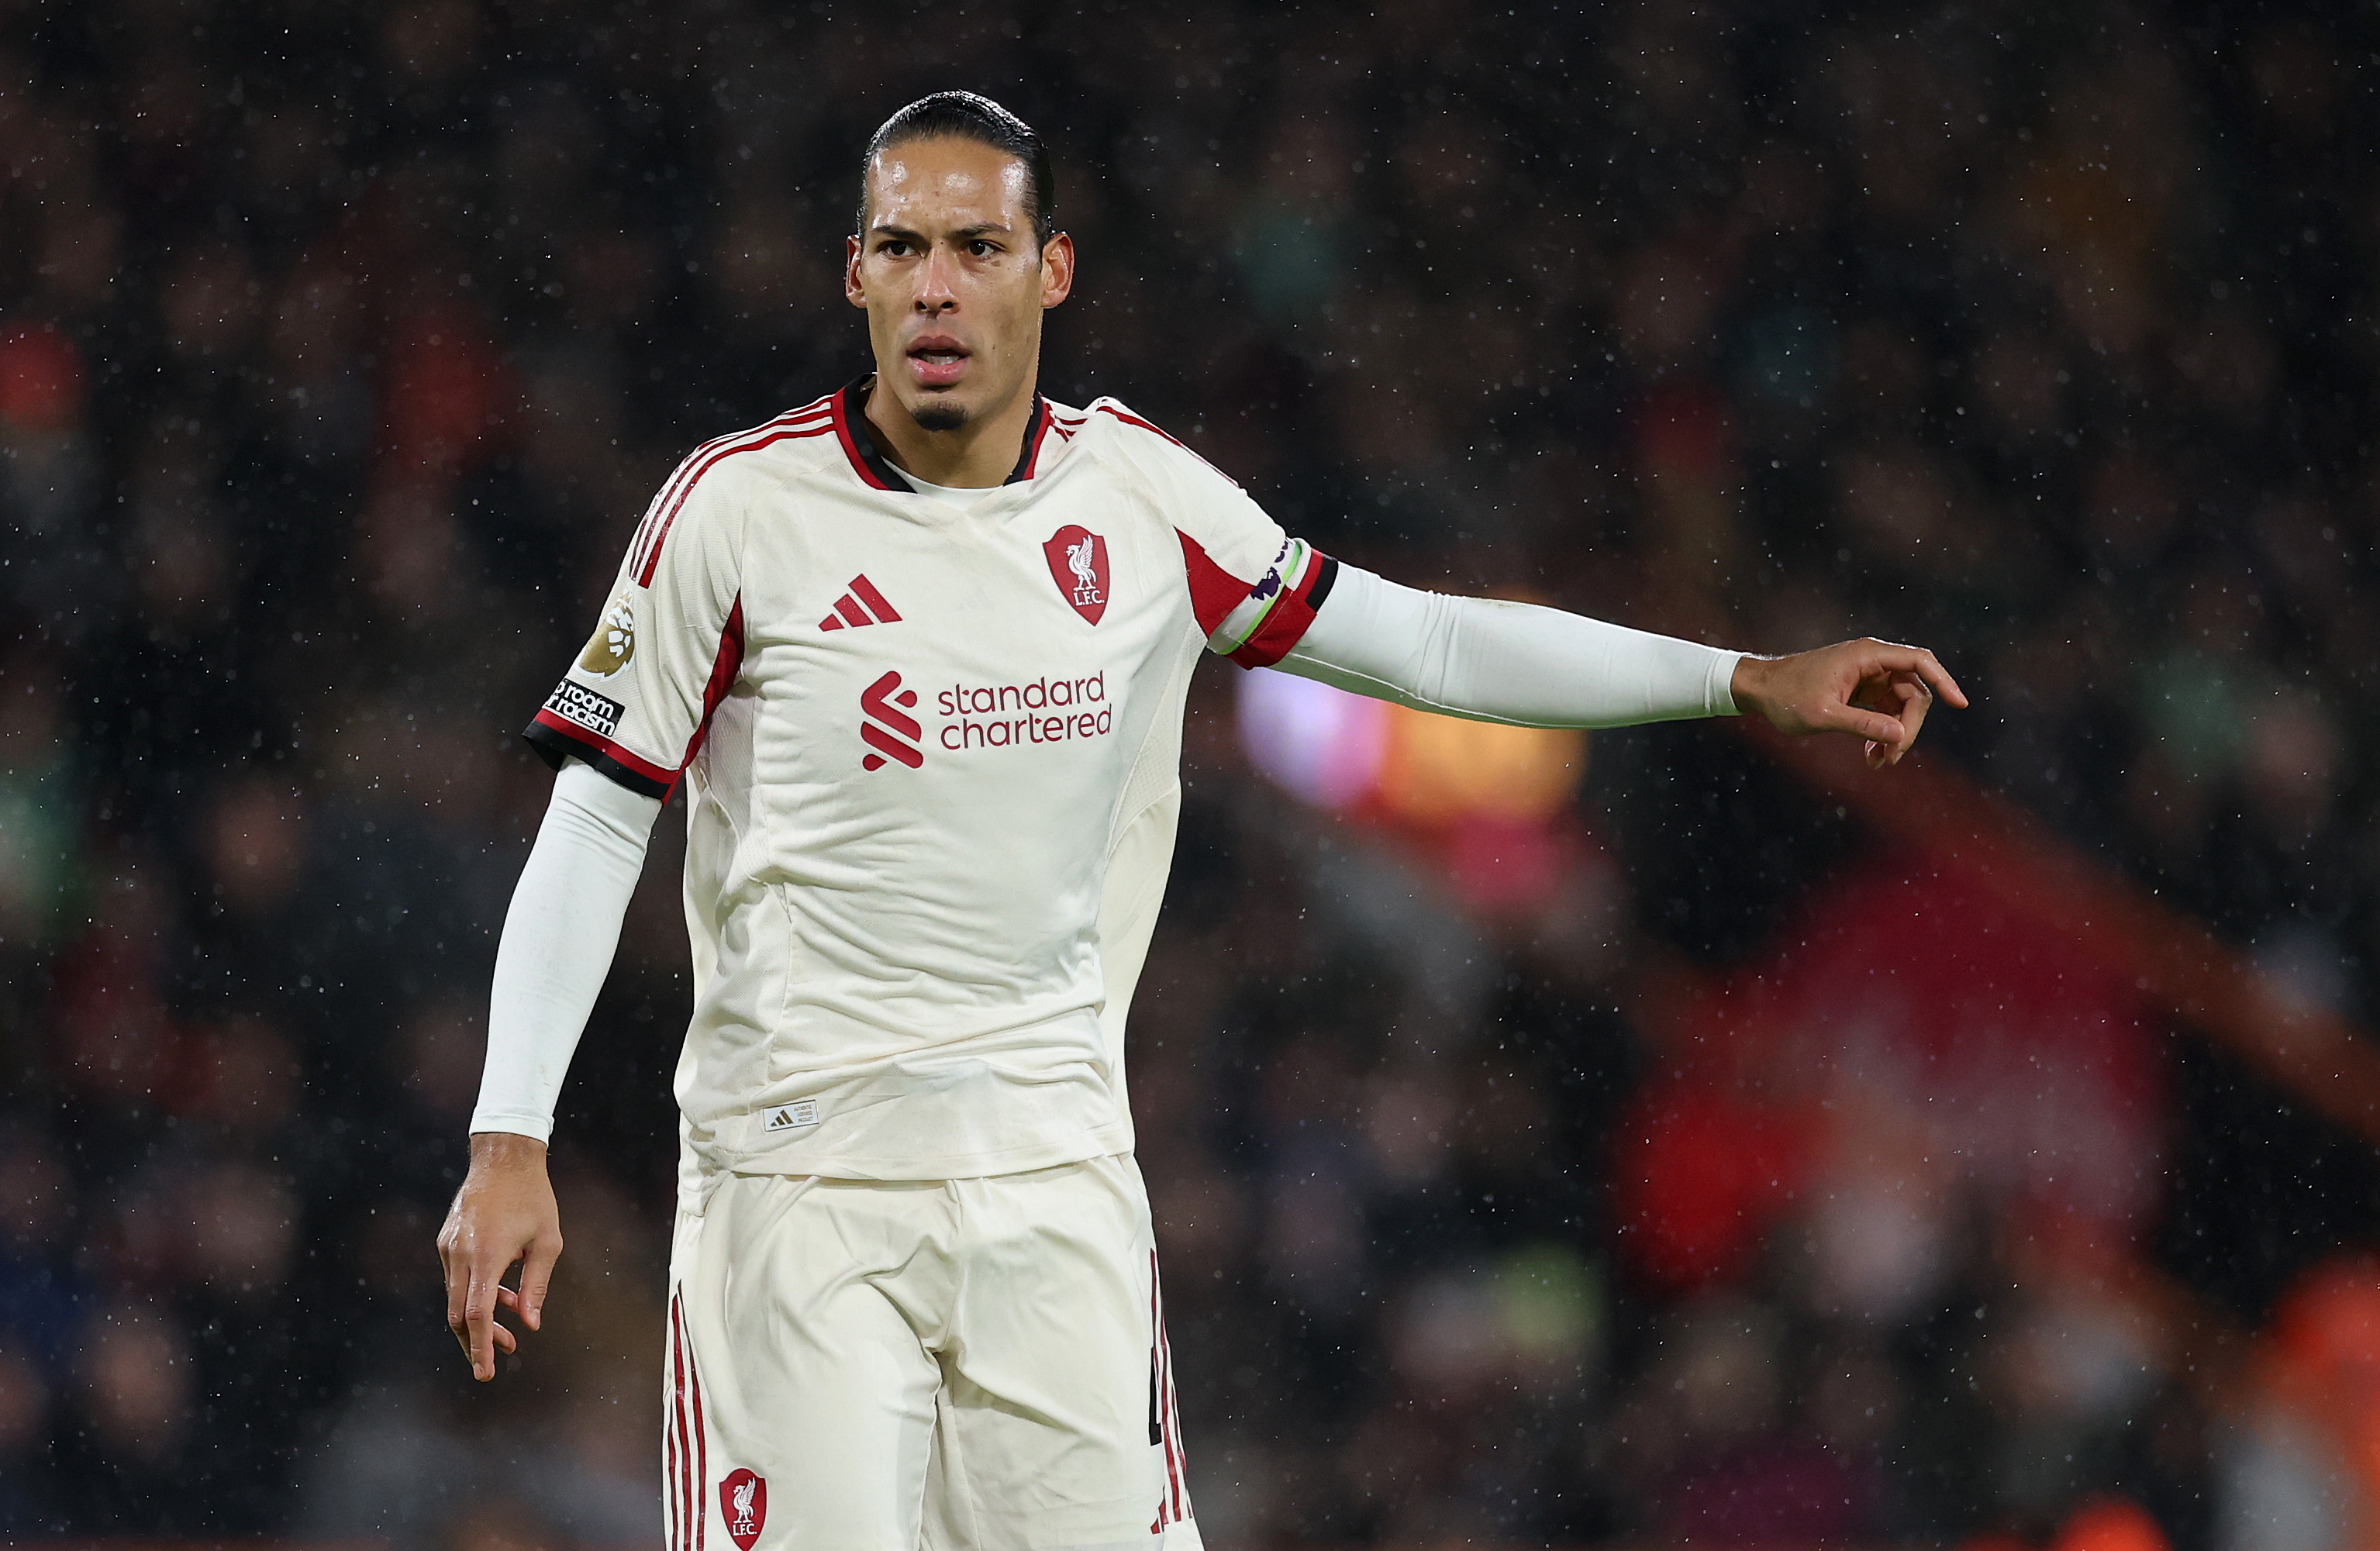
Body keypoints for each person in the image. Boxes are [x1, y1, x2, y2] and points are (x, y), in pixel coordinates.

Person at [437, 91, 1966, 1550]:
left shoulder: (1138, 498)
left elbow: (1421, 641)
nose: (936, 287)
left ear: (1049, 270)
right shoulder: (733, 512)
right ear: (854, 273)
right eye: (900, 247)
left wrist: (1737, 679)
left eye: (977, 248)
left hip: (1053, 1181)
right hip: (796, 1190)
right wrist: (511, 1132)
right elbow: (595, 812)